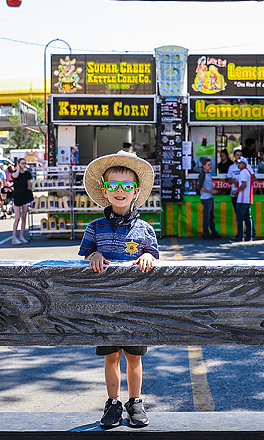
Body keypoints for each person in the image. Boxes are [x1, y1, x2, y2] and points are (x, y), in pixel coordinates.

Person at [78, 151, 159, 429]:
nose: (120, 192)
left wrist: (148, 257)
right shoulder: (94, 227)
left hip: (135, 304)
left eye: (126, 187)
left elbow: (152, 255)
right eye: (113, 186)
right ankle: (112, 402)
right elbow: (86, 255)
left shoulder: (146, 229)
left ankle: (135, 401)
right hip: (105, 304)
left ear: (136, 191)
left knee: (134, 357)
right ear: (105, 191)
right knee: (111, 356)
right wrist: (94, 256)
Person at [10, 158, 34, 245]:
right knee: (17, 217)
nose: (24, 164)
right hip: (17, 196)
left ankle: (21, 236)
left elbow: (29, 185)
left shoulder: (27, 174)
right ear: (19, 164)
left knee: (24, 217)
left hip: (25, 196)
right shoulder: (15, 173)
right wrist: (17, 168)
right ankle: (14, 237)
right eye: (22, 163)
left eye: (25, 163)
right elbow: (14, 176)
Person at [233, 157, 254, 242]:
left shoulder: (243, 172)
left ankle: (240, 236)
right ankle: (249, 235)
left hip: (242, 199)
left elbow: (244, 184)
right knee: (247, 218)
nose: (238, 165)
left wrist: (236, 191)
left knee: (240, 219)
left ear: (244, 164)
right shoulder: (247, 172)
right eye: (238, 163)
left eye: (240, 163)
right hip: (247, 198)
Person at [198, 157, 219, 239]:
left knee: (211, 216)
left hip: (209, 197)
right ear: (204, 166)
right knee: (206, 217)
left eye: (211, 165)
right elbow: (200, 187)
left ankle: (213, 232)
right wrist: (211, 191)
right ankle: (206, 233)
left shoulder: (209, 173)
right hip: (205, 197)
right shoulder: (202, 174)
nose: (210, 166)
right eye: (208, 165)